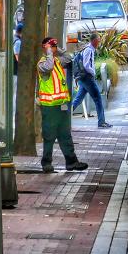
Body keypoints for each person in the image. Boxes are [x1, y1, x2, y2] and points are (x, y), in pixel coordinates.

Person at [37, 37, 87, 173]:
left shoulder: (57, 61)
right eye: (51, 47)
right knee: (49, 136)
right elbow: (49, 67)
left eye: (54, 47)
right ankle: (46, 163)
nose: (53, 49)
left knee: (65, 134)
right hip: (50, 107)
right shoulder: (42, 64)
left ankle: (71, 162)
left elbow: (69, 58)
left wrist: (58, 49)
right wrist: (48, 52)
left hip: (61, 106)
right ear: (45, 48)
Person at [72, 34, 111, 127]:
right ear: (93, 41)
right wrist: (93, 72)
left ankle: (65, 116)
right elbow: (86, 65)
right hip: (87, 78)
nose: (99, 42)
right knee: (98, 99)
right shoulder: (89, 50)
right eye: (98, 40)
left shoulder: (88, 49)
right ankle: (101, 122)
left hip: (82, 78)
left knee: (78, 99)